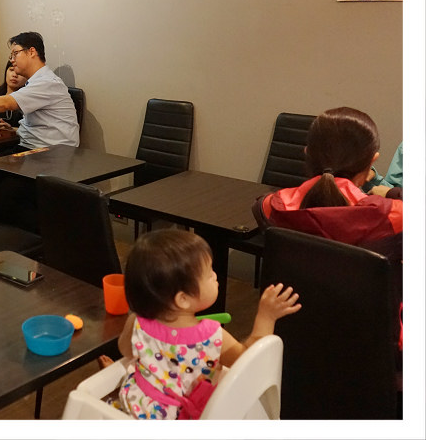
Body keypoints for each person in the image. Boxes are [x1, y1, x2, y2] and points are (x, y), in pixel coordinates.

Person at [116, 229, 301, 420]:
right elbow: (248, 364)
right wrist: (266, 317)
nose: (215, 276)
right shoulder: (212, 335)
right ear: (183, 299)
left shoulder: (137, 321)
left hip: (137, 408)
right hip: (187, 417)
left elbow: (126, 350)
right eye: (208, 273)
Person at [254, 107, 403, 260]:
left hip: (290, 285)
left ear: (307, 153)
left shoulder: (269, 206)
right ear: (372, 160)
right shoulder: (393, 215)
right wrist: (393, 193)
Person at [0, 60, 26, 128]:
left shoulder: (28, 99)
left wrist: (11, 129)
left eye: (19, 72)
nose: (14, 75)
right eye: (11, 70)